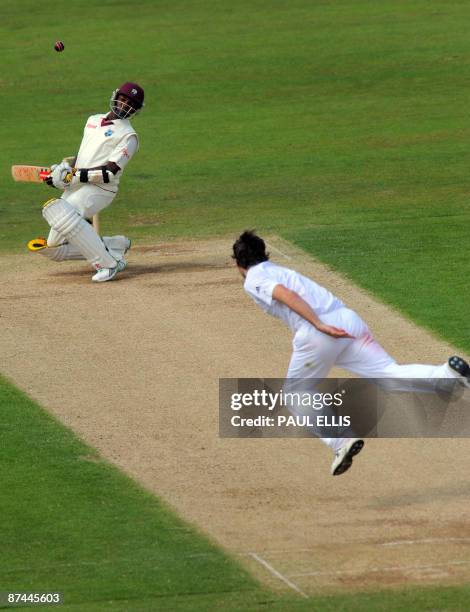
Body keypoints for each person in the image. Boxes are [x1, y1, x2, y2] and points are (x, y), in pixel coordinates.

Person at [232, 230, 470, 476]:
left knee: (295, 394)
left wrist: (318, 324)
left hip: (319, 331)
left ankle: (339, 440)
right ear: (264, 253)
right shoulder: (277, 269)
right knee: (387, 374)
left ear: (238, 263)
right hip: (348, 321)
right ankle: (448, 375)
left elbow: (285, 295)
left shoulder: (253, 278)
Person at [27, 82, 144, 282]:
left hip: (100, 189)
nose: (124, 106)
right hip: (77, 185)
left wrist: (72, 175)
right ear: (115, 96)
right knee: (55, 248)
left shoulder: (129, 137)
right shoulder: (93, 120)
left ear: (136, 110)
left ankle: (108, 264)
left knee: (60, 212)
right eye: (123, 100)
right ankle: (113, 245)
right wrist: (63, 169)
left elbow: (109, 172)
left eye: (130, 104)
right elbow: (84, 156)